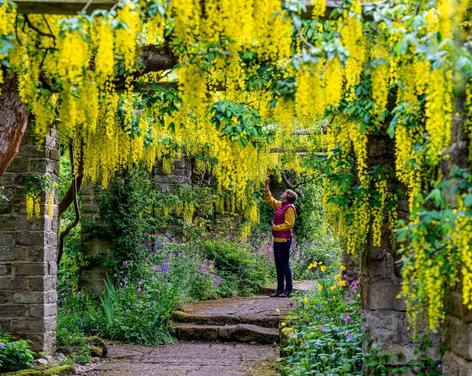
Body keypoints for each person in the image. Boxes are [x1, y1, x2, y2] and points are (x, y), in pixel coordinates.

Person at [264, 177, 298, 298]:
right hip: (277, 240)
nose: (282, 193)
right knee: (278, 265)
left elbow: (289, 224)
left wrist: (275, 227)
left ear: (288, 197)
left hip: (285, 240)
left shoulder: (289, 208)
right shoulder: (280, 205)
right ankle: (279, 290)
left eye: (285, 193)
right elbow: (269, 199)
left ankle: (288, 290)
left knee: (284, 265)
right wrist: (267, 186)